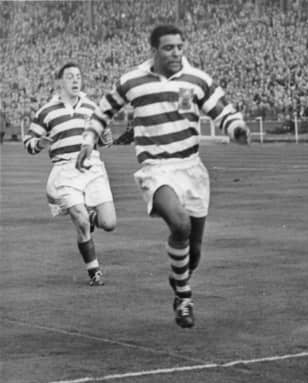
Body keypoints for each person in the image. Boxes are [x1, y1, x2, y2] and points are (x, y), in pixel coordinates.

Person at [76, 24, 250, 329]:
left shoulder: (196, 79)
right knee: (179, 224)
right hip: (156, 169)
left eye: (180, 47)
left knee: (194, 254)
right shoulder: (132, 81)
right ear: (154, 50)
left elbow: (222, 110)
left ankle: (179, 279)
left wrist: (236, 128)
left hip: (191, 169)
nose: (176, 53)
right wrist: (89, 139)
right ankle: (184, 297)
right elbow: (103, 111)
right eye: (169, 48)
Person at [23, 62, 117, 286]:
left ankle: (91, 216)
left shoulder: (92, 107)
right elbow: (29, 142)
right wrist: (39, 143)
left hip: (92, 167)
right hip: (65, 169)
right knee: (80, 221)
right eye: (70, 76)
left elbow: (104, 139)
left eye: (78, 76)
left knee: (109, 222)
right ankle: (94, 272)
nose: (75, 80)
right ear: (59, 82)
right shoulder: (47, 111)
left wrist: (106, 137)